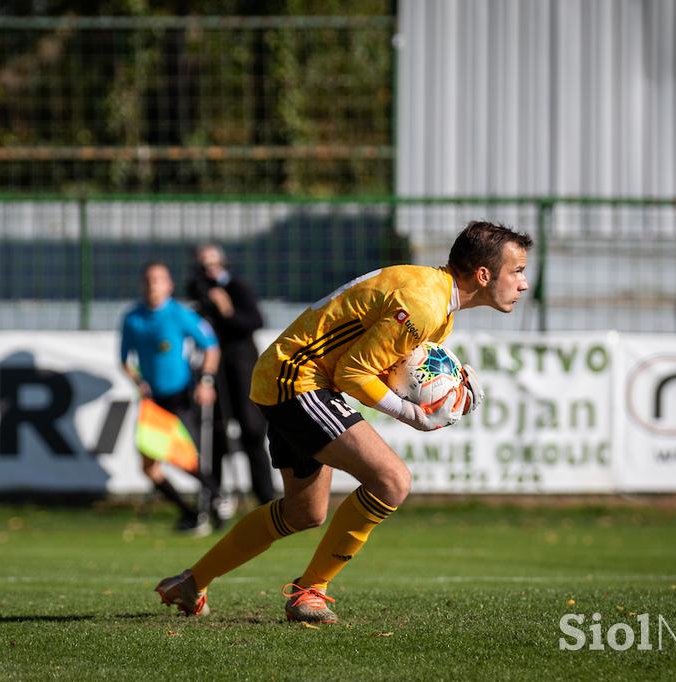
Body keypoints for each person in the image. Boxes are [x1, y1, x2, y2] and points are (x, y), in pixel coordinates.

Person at [156, 221, 532, 621]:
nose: (523, 284)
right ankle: (310, 592)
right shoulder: (425, 304)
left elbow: (380, 365)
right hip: (297, 379)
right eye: (518, 271)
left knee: (305, 513)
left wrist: (445, 387)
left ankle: (191, 582)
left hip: (290, 377)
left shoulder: (435, 299)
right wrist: (414, 416)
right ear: (484, 274)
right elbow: (353, 374)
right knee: (392, 480)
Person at [121, 260, 221, 536]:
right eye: (148, 280)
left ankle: (215, 496)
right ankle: (189, 513)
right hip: (152, 401)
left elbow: (210, 346)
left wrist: (206, 380)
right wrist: (137, 380)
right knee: (149, 466)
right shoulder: (133, 318)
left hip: (180, 396)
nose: (153, 285)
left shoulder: (180, 315)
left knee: (185, 456)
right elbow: (124, 360)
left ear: (169, 285)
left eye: (158, 280)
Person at [186, 244, 275, 517]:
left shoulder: (237, 288)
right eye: (203, 266)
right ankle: (215, 498)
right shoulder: (197, 290)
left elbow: (254, 321)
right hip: (215, 368)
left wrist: (226, 309)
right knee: (215, 433)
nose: (209, 271)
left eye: (213, 265)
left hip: (242, 367)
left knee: (251, 431)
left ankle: (266, 500)